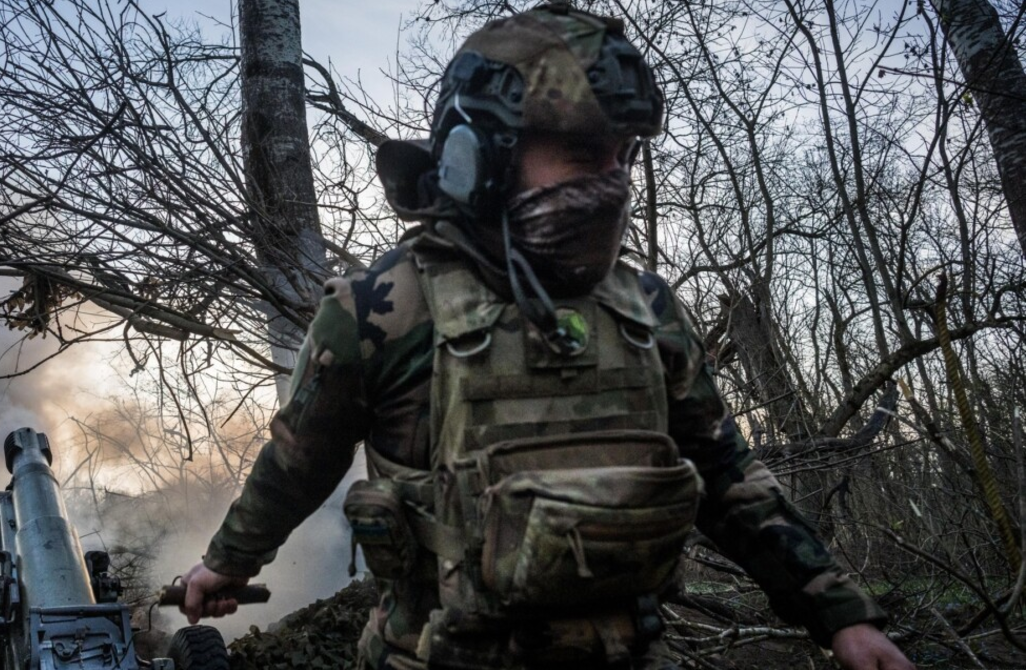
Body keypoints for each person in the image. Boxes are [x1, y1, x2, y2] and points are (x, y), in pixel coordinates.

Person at [180, 4, 915, 669]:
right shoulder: (384, 308)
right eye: (584, 153)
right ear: (480, 155)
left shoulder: (645, 308)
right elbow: (298, 462)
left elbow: (726, 474)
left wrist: (841, 616)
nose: (614, 180)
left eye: (623, 154)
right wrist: (228, 563)